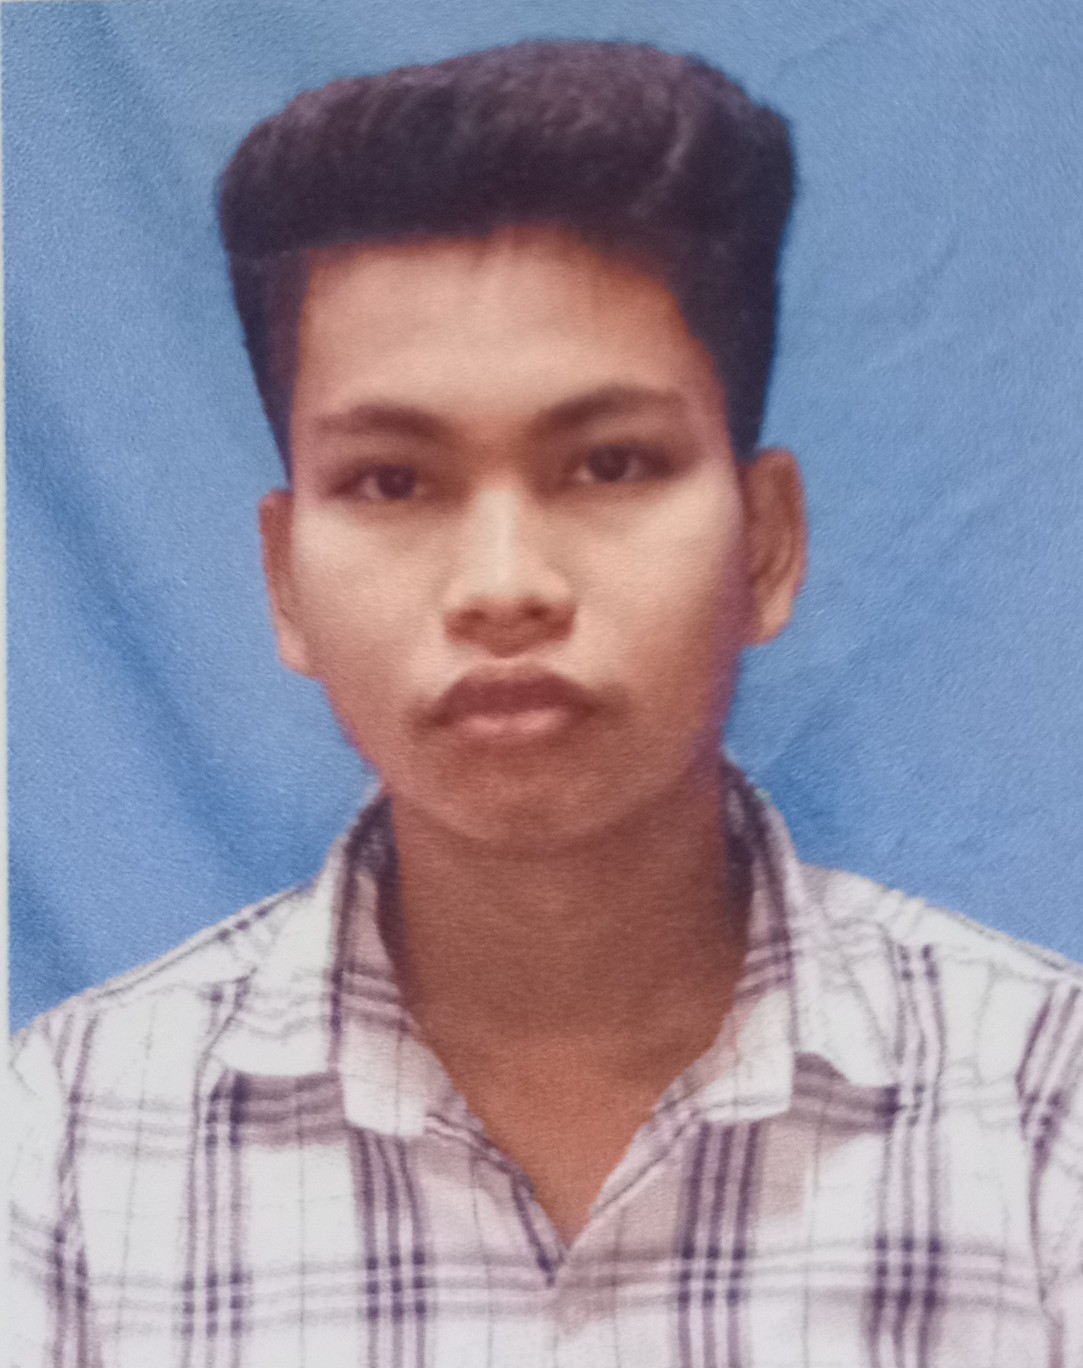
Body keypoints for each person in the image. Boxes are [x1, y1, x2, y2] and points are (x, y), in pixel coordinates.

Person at [9, 39, 1082, 1368]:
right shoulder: (64, 1150)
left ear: (765, 545)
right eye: (393, 483)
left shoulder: (1043, 1109)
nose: (503, 586)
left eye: (610, 463)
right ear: (284, 582)